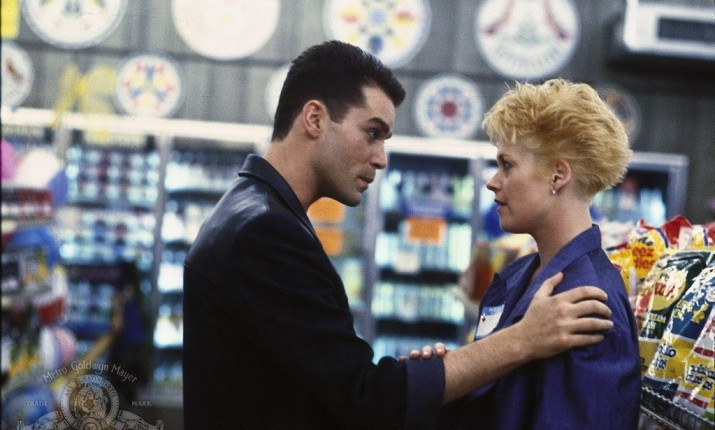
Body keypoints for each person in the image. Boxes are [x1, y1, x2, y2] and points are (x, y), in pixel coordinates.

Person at [182, 41, 615, 429]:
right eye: (372, 133)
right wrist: (521, 340)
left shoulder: (254, 212)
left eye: (507, 164)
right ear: (314, 118)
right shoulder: (265, 231)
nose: (381, 158)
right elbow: (364, 397)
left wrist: (439, 374)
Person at [436, 79, 641, 429]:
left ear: (558, 175)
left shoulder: (588, 302)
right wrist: (450, 378)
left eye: (507, 165)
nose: (492, 181)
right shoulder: (515, 276)